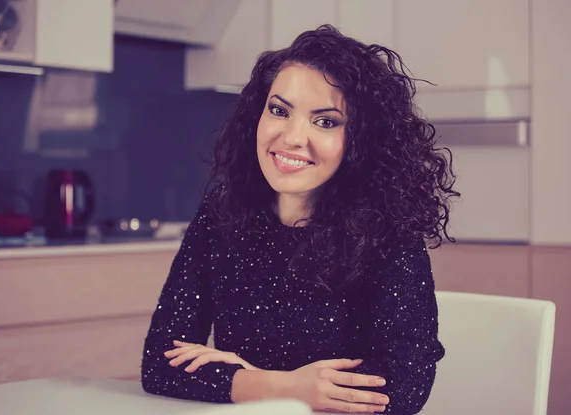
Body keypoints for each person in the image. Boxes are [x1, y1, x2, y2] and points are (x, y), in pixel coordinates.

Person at [141, 25, 459, 414]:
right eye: (279, 110)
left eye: (325, 121)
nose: (292, 137)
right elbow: (160, 364)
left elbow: (401, 390)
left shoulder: (388, 233)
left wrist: (243, 379)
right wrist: (284, 385)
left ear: (362, 140)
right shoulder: (220, 213)